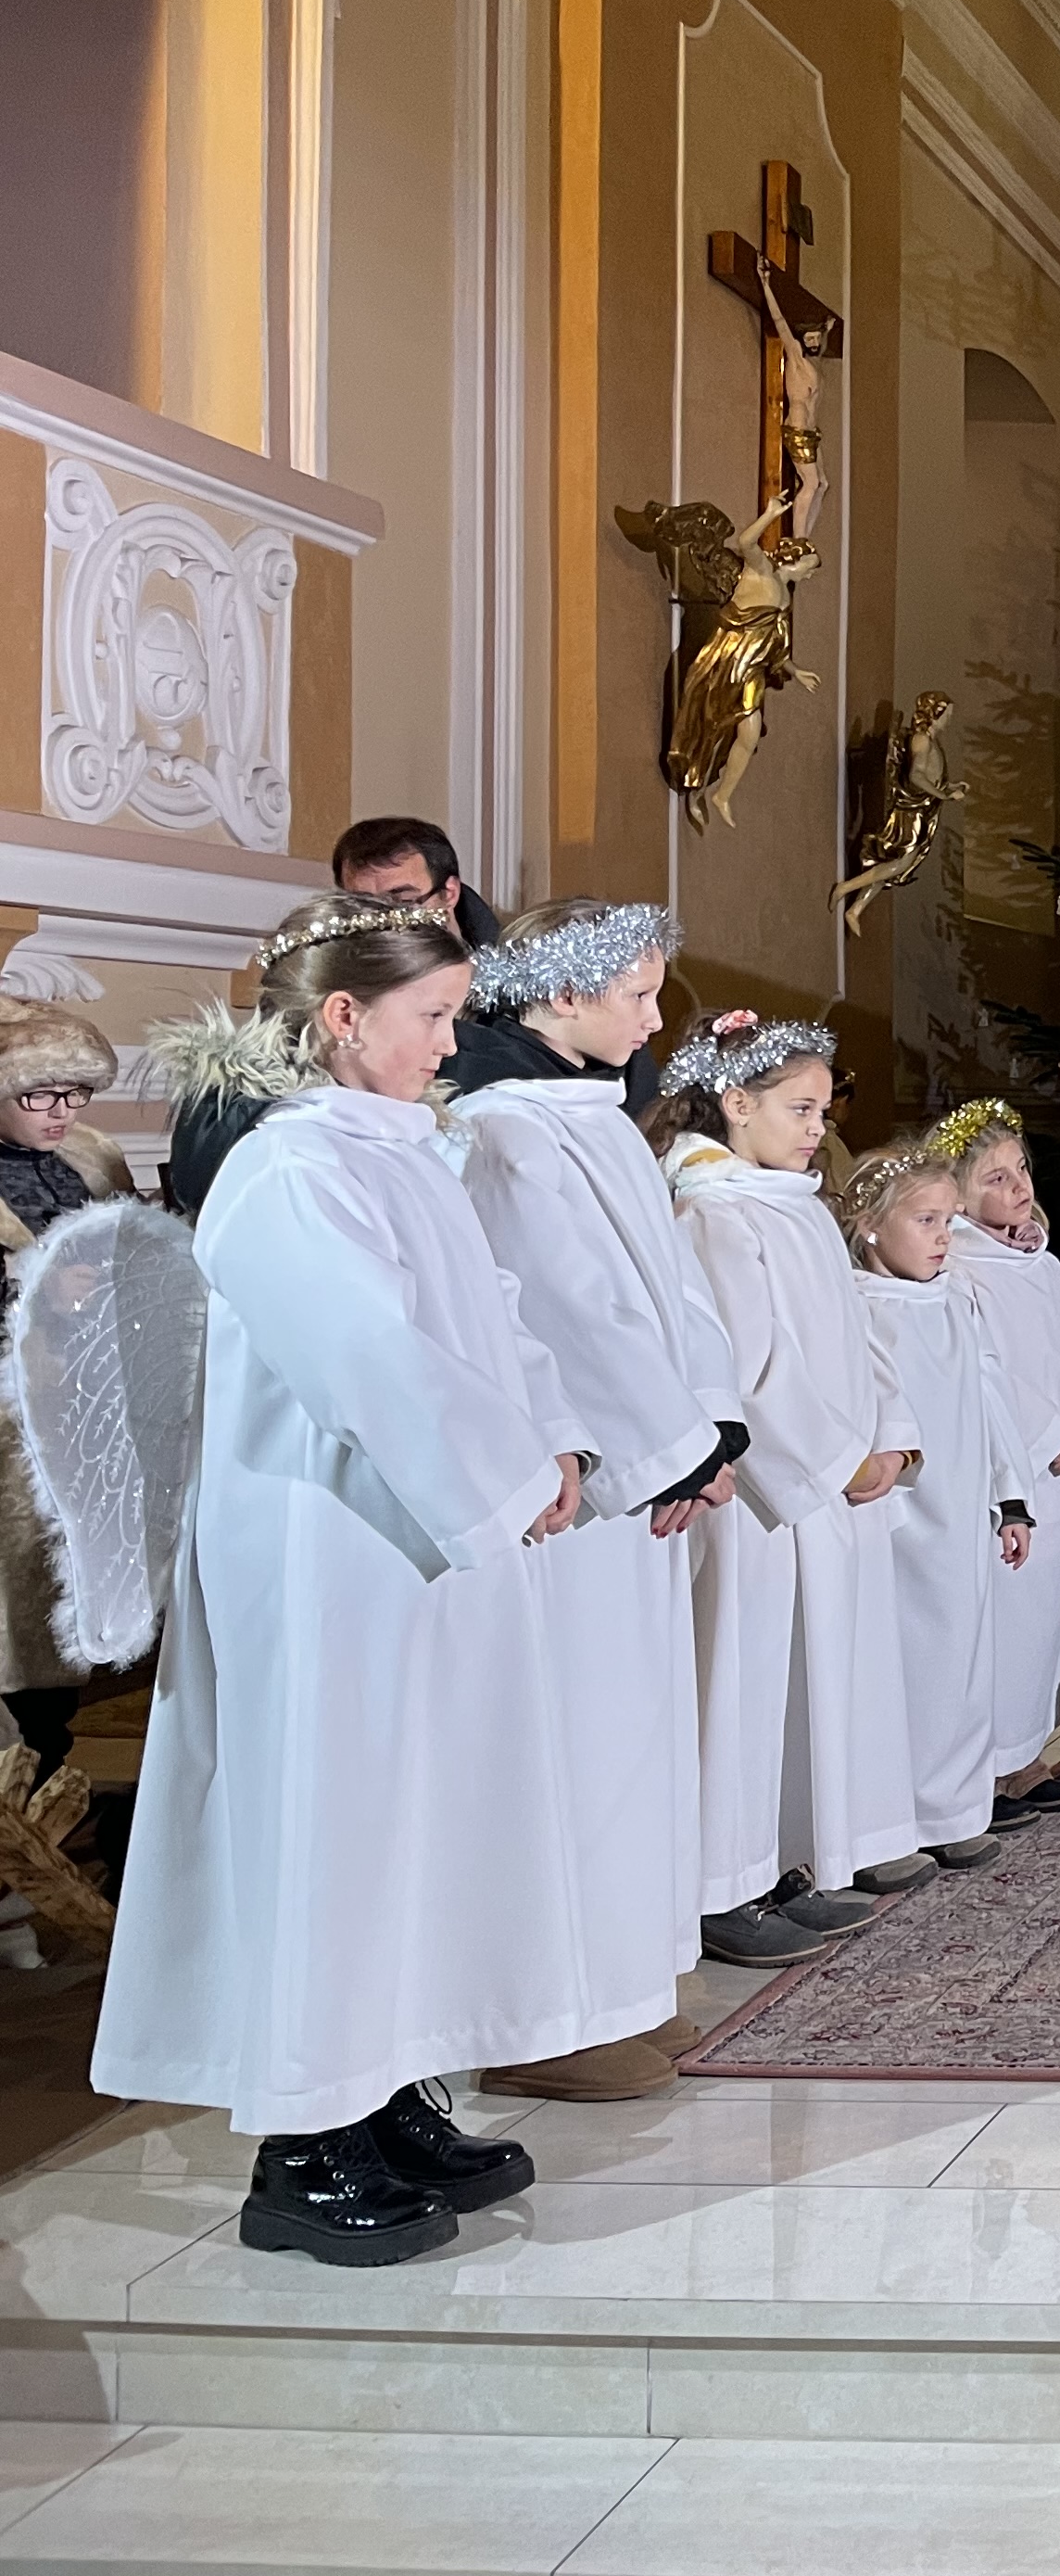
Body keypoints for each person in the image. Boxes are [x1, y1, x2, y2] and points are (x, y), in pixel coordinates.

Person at [92, 898, 582, 2266]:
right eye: (433, 1018)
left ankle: (386, 2090)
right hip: (322, 1550)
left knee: (410, 1819)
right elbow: (370, 1357)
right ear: (343, 1017)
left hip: (415, 1541)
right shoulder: (287, 1168)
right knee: (332, 1820)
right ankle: (303, 2144)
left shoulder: (403, 1154)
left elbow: (492, 1320)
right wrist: (501, 1477)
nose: (453, 1045)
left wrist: (553, 1445)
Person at [447, 901, 747, 2087]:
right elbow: (567, 1309)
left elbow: (676, 1291)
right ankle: (544, 2020)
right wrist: (670, 1449)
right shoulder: (504, 1129)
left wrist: (713, 1428)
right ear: (562, 997)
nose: (657, 1018)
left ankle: (628, 1982)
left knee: (635, 1742)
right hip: (577, 1486)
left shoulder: (598, 1119)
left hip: (649, 1473)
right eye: (637, 993)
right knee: (571, 1744)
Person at [652, 1012, 923, 1962]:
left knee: (797, 1685)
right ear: (736, 1103)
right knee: (738, 1678)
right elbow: (743, 1368)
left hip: (828, 1487)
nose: (818, 1128)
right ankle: (720, 1887)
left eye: (821, 1109)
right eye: (799, 1109)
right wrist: (838, 1459)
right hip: (764, 1496)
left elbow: (857, 1335)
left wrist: (891, 1439)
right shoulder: (715, 1213)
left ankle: (777, 1862)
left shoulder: (793, 1204)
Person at [839, 1146, 1034, 1870]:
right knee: (893, 1666)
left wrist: (1012, 1496)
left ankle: (952, 1807)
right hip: (894, 1515)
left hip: (961, 1512)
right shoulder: (858, 1306)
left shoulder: (955, 1299)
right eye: (926, 1221)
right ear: (870, 1225)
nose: (944, 1237)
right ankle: (885, 1823)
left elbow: (989, 1395)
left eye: (949, 1220)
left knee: (960, 1662)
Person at [928, 1100, 1060, 1814]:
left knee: (1037, 1632)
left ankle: (1026, 1758)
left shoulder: (1044, 1263)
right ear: (957, 1194)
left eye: (1021, 1170)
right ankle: (980, 1772)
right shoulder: (957, 1269)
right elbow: (983, 1374)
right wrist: (1044, 1438)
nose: (1019, 1187)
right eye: (996, 1178)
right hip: (1006, 1474)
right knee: (994, 1628)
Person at [0, 1006, 143, 1766]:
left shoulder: (93, 1156)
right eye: (40, 1095)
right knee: (18, 1602)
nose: (61, 1112)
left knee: (70, 1588)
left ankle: (52, 1762)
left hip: (89, 1404)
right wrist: (34, 1288)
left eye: (76, 1093)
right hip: (12, 1415)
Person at [331, 816, 503, 947]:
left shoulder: (511, 971)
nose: (380, 925)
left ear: (450, 894)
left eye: (403, 903)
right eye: (361, 906)